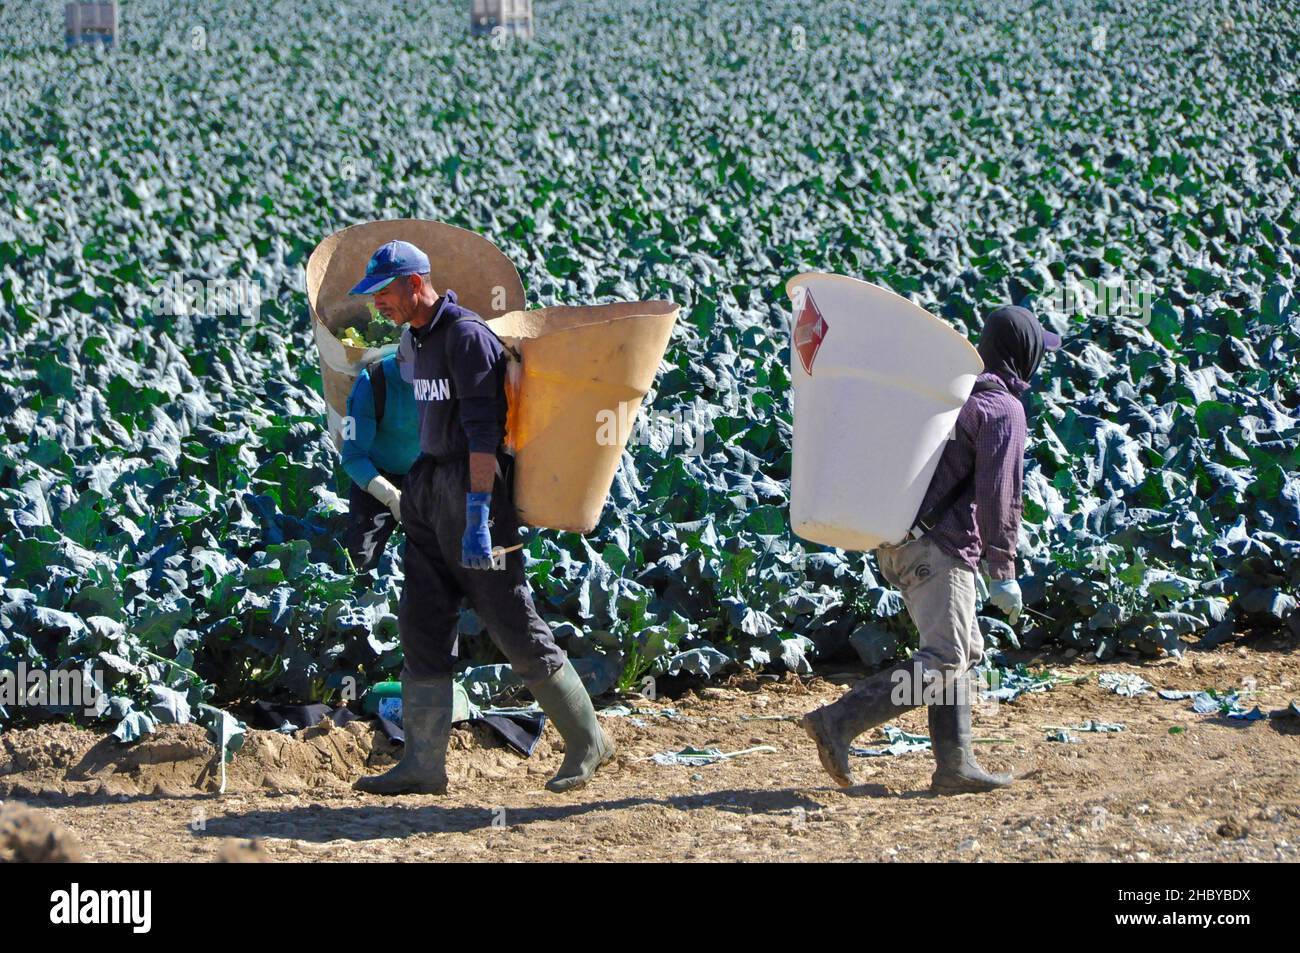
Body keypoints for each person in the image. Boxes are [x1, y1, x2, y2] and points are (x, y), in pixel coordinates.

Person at [347, 240, 615, 796]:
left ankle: (589, 740)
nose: (378, 306)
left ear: (415, 283)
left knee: (511, 621)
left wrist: (476, 514)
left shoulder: (468, 337)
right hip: (426, 487)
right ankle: (423, 764)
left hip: (475, 491)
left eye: (384, 294)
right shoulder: (417, 339)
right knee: (421, 622)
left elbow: (485, 430)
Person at [801, 305, 1061, 795]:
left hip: (902, 542)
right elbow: (1000, 495)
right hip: (941, 549)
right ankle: (839, 720)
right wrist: (1003, 568)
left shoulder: (953, 394)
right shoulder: (1003, 409)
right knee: (945, 658)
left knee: (963, 653)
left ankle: (955, 764)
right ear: (1022, 354)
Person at [340, 351, 419, 574]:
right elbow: (352, 457)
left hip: (428, 474)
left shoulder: (451, 380)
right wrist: (392, 497)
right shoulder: (371, 382)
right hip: (378, 475)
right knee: (359, 562)